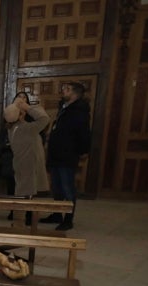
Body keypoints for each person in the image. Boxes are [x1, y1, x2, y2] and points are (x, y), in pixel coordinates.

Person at [42, 82, 92, 231]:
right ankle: (57, 214)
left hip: (68, 154)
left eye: (67, 89)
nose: (63, 91)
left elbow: (83, 134)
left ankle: (68, 219)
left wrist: (83, 151)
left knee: (67, 188)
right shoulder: (64, 108)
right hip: (56, 154)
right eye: (63, 88)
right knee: (56, 187)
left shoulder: (79, 111)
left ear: (75, 93)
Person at [4, 97, 50, 225]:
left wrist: (17, 107)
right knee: (24, 198)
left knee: (23, 194)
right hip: (28, 167)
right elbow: (44, 119)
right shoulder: (26, 129)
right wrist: (27, 107)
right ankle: (20, 226)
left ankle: (21, 224)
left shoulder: (12, 128)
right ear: (20, 116)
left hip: (21, 165)